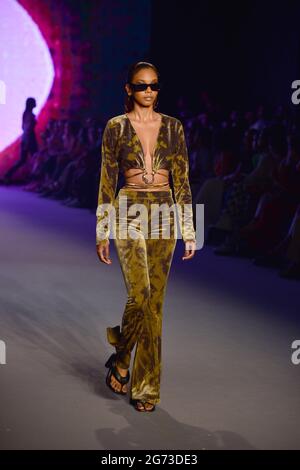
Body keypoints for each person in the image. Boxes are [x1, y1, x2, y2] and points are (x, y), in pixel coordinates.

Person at [96, 61, 197, 412]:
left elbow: (182, 178)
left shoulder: (173, 127)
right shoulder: (115, 127)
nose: (149, 91)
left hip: (164, 212)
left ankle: (145, 387)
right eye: (141, 86)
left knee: (155, 305)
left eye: (153, 85)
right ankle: (122, 353)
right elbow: (108, 178)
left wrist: (188, 227)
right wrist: (102, 228)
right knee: (140, 296)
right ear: (129, 89)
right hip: (128, 208)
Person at [3, 97, 38, 183]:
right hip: (30, 138)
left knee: (22, 160)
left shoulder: (25, 113)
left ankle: (8, 174)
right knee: (36, 158)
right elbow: (28, 128)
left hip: (25, 138)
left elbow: (23, 127)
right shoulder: (31, 115)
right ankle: (35, 179)